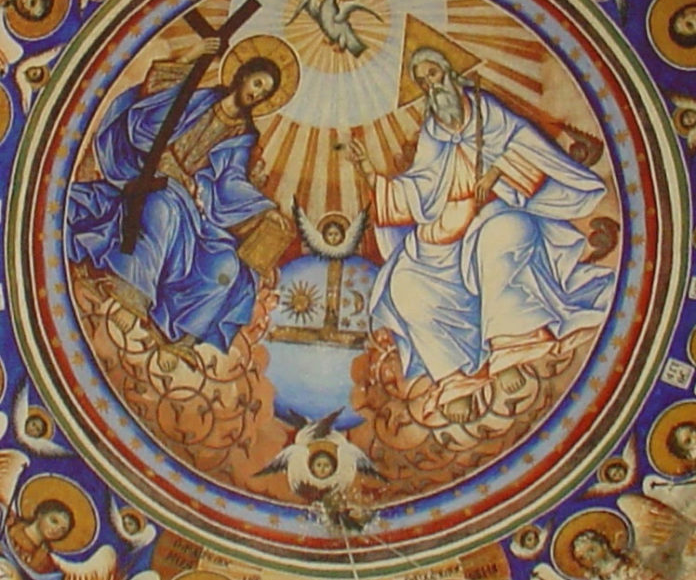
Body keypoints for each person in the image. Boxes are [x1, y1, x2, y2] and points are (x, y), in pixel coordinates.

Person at [349, 47, 614, 423]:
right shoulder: (434, 134)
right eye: (423, 81)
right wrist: (370, 174)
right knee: (405, 284)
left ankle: (511, 348)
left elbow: (534, 153)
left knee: (499, 239)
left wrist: (497, 172)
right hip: (447, 239)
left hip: (501, 213)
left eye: (434, 75)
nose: (431, 86)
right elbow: (420, 187)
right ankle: (454, 379)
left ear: (450, 73)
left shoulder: (490, 116)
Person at [68, 36, 290, 364]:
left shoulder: (244, 134)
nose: (257, 94)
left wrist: (265, 210)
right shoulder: (201, 98)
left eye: (265, 93)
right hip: (153, 179)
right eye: (257, 84)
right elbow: (154, 104)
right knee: (163, 208)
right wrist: (193, 53)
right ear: (243, 75)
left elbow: (231, 182)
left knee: (227, 265)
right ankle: (132, 293)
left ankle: (177, 336)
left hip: (195, 206)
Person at [5, 499, 74, 574]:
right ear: (40, 514)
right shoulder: (9, 525)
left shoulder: (46, 562)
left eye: (62, 530)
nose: (56, 530)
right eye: (54, 521)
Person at [571, 530, 665, 580]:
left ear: (603, 545)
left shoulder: (629, 563)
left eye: (591, 550)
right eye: (583, 557)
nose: (590, 558)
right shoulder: (595, 577)